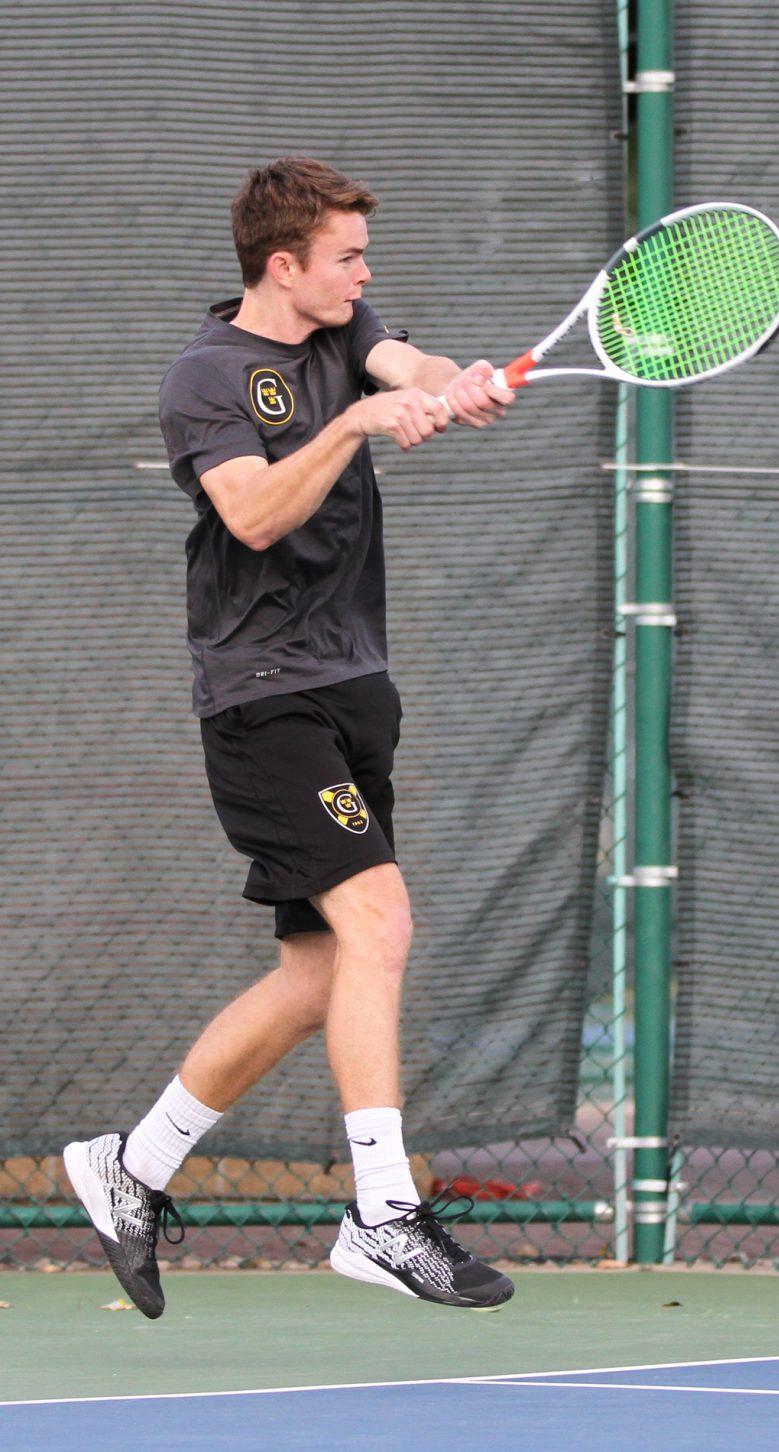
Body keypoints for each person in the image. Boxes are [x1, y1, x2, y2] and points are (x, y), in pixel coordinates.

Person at [61, 159, 519, 1319]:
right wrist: (363, 419)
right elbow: (254, 511)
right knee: (381, 919)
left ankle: (134, 1167)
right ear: (283, 265)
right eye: (347, 256)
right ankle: (383, 1212)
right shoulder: (205, 378)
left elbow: (397, 360)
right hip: (263, 696)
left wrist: (448, 383)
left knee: (320, 974)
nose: (364, 275)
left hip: (356, 682)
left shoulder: (344, 325)